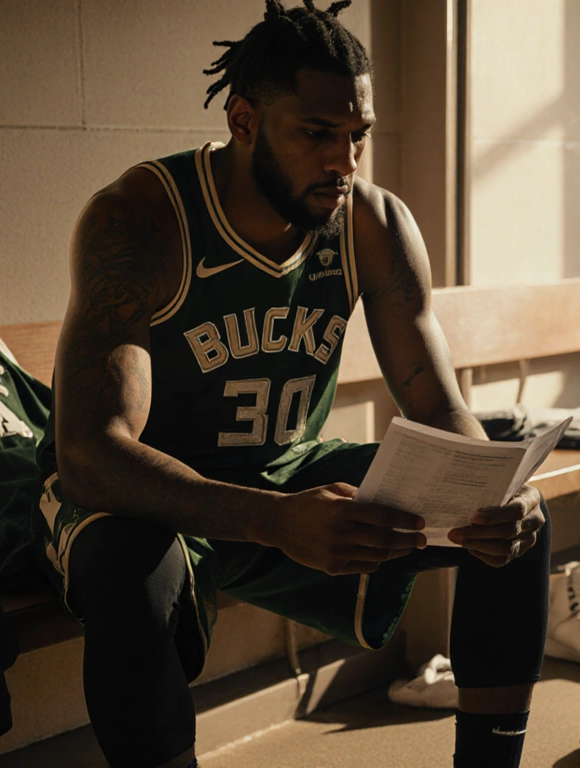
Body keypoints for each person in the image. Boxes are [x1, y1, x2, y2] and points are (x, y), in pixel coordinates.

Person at [32, 2, 550, 766]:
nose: (345, 161)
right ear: (244, 120)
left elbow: (438, 406)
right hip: (153, 498)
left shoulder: (373, 222)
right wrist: (274, 520)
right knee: (127, 570)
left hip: (284, 478)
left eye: (358, 136)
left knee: (514, 526)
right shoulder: (142, 218)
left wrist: (490, 490)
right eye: (317, 134)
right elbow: (89, 453)